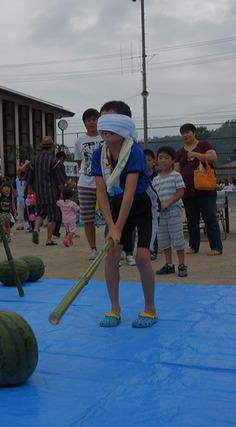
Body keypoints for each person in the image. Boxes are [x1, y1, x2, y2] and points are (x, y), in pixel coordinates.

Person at [91, 100, 158, 328]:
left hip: (143, 204)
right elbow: (101, 192)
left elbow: (130, 193)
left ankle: (150, 308)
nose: (105, 126)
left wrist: (117, 227)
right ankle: (114, 308)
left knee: (141, 257)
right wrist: (112, 226)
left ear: (125, 125)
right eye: (103, 119)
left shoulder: (135, 151)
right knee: (111, 255)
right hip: (117, 204)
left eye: (112, 119)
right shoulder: (98, 154)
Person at [175, 123, 223, 256]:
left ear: (194, 132)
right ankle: (193, 246)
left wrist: (195, 154)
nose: (185, 135)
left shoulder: (204, 145)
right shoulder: (179, 152)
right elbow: (176, 171)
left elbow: (213, 158)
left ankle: (216, 247)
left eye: (187, 132)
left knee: (210, 218)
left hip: (206, 190)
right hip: (188, 191)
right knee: (191, 220)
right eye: (182, 133)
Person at [152, 146, 188, 277]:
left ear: (172, 160)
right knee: (164, 240)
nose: (163, 160)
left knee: (177, 238)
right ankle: (169, 264)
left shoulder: (176, 176)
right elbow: (154, 197)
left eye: (166, 158)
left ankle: (182, 265)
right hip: (160, 214)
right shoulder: (155, 180)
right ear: (157, 161)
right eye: (160, 158)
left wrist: (168, 202)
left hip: (173, 211)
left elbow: (180, 192)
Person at [74, 108, 103, 259]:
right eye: (88, 120)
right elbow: (79, 162)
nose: (92, 122)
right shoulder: (80, 141)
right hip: (85, 182)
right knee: (87, 218)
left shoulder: (105, 137)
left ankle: (116, 246)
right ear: (84, 123)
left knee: (111, 215)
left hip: (104, 182)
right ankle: (93, 248)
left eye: (94, 119)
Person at [27, 136, 67, 246]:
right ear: (52, 148)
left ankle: (36, 228)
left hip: (39, 192)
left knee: (40, 213)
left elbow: (29, 177)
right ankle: (49, 240)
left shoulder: (34, 160)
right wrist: (62, 194)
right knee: (52, 216)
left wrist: (30, 189)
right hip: (51, 193)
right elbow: (60, 181)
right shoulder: (54, 161)